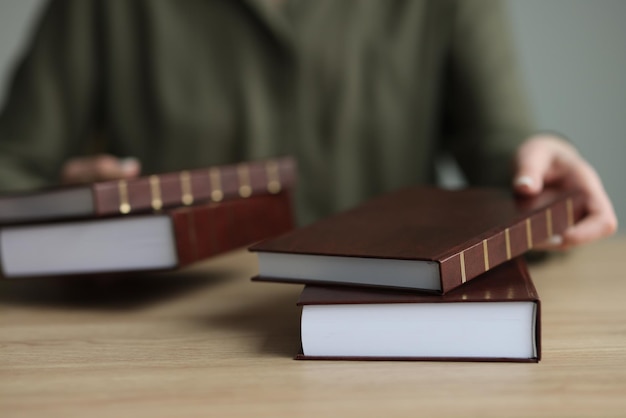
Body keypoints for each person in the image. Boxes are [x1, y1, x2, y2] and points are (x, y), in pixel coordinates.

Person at [0, 0, 617, 248]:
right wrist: (63, 208)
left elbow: (502, 148)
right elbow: (13, 170)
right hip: (156, 345)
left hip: (389, 338)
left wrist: (544, 157)